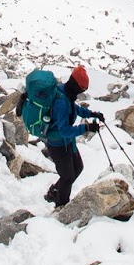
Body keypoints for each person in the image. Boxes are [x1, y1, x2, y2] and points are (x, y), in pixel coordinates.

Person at [42, 65, 104, 208]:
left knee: (78, 168)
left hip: (66, 142)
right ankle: (61, 207)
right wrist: (86, 128)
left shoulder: (66, 93)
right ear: (76, 86)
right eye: (82, 89)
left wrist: (92, 114)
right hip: (57, 144)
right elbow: (64, 130)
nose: (82, 92)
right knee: (68, 176)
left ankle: (54, 192)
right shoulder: (61, 102)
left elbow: (75, 109)